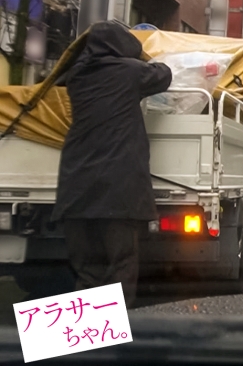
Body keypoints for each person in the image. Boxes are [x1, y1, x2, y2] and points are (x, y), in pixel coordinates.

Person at [52, 21, 172, 308]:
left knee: (87, 270)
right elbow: (164, 74)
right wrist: (142, 57)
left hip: (77, 187)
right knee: (121, 263)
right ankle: (115, 329)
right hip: (117, 188)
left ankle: (86, 332)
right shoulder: (130, 72)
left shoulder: (77, 76)